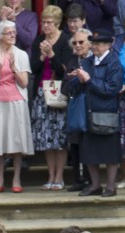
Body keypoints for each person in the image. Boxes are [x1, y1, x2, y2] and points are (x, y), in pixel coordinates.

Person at [67, 31, 123, 196]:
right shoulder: (87, 61)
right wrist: (77, 78)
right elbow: (74, 87)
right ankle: (95, 185)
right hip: (88, 112)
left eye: (98, 43)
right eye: (93, 43)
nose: (94, 46)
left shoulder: (114, 63)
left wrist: (89, 80)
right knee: (89, 152)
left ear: (107, 45)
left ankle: (111, 187)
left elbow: (111, 89)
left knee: (110, 154)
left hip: (107, 113)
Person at [0, 20, 34, 193]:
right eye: (9, 32)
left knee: (16, 140)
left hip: (17, 101)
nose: (13, 34)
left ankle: (16, 179)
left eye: (14, 32)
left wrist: (13, 68)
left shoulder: (21, 55)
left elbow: (25, 82)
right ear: (0, 36)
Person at [29, 6, 72, 191]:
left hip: (58, 92)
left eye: (49, 23)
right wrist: (41, 56)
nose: (45, 26)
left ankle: (59, 177)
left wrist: (52, 55)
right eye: (43, 22)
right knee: (45, 137)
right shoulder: (38, 39)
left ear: (57, 23)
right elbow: (33, 68)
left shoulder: (66, 40)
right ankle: (50, 176)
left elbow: (65, 71)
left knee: (59, 138)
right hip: (41, 92)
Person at [63, 29, 94, 192]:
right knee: (74, 145)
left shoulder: (96, 60)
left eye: (81, 42)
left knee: (88, 145)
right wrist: (72, 79)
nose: (78, 45)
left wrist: (84, 79)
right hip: (76, 109)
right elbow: (64, 89)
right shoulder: (72, 61)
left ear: (90, 43)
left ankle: (91, 181)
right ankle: (77, 180)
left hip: (91, 108)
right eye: (75, 43)